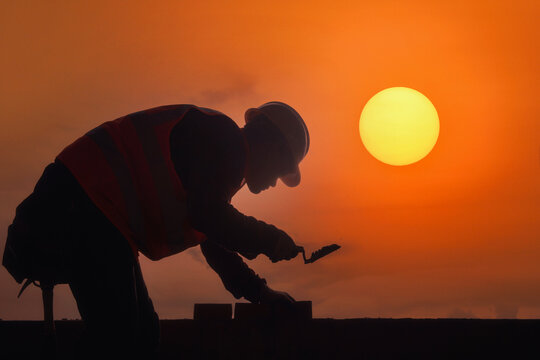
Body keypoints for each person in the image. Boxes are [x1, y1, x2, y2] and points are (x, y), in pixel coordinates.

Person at [2, 101, 310, 356]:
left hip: (95, 211)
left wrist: (259, 291)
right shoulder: (224, 140)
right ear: (270, 145)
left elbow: (212, 236)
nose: (273, 183)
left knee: (142, 335)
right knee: (119, 337)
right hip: (82, 203)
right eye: (280, 172)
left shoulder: (220, 158)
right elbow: (210, 217)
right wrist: (270, 240)